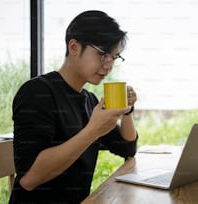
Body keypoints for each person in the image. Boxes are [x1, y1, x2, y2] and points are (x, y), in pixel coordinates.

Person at [9, 10, 138, 204]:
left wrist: (127, 110)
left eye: (114, 57)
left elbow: (127, 147)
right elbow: (29, 179)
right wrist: (93, 131)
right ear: (74, 47)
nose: (108, 64)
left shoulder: (90, 101)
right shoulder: (37, 92)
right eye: (103, 54)